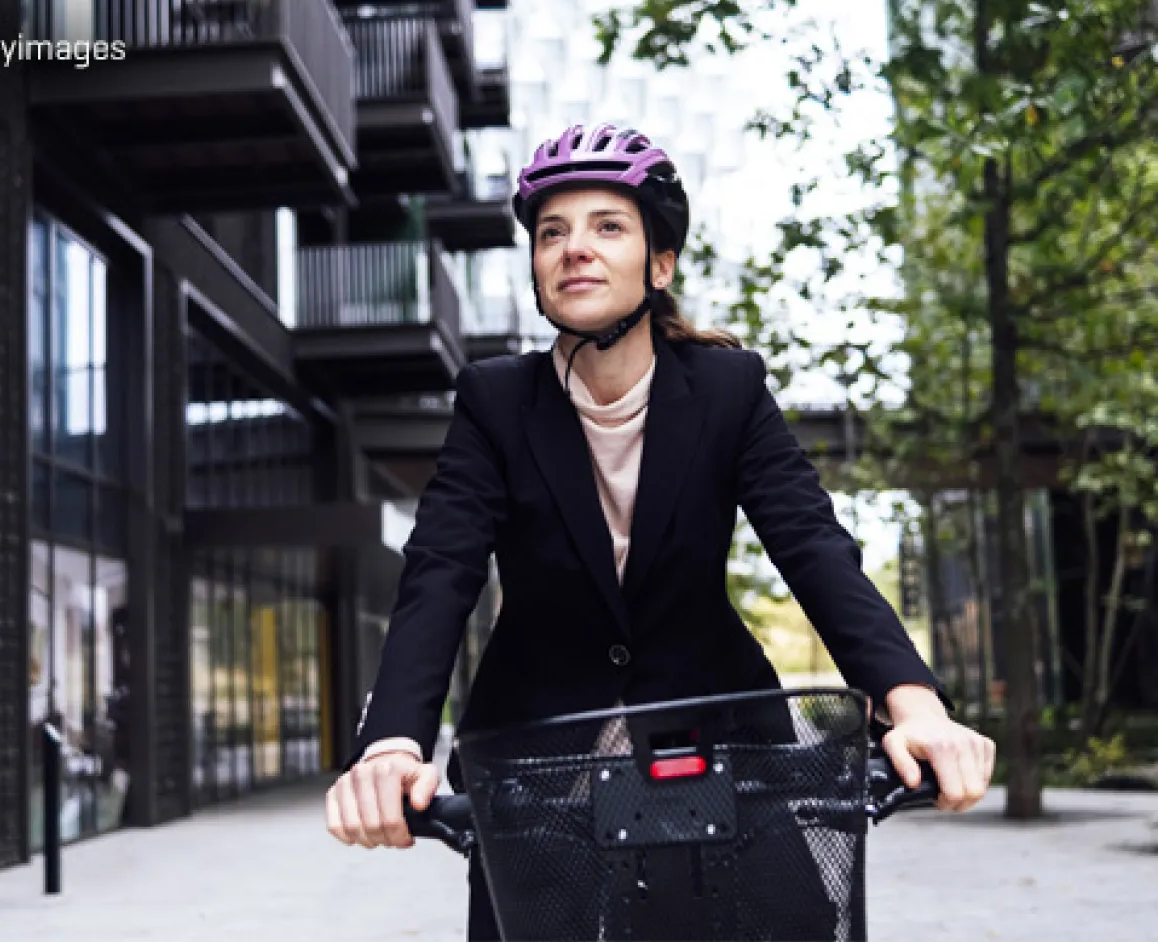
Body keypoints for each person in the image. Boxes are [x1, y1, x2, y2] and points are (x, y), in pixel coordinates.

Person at [325, 122, 996, 939]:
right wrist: (392, 742)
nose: (575, 248)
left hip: (718, 747)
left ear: (661, 263)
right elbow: (440, 570)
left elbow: (813, 545)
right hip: (539, 760)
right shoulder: (495, 402)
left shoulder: (727, 389)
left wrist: (915, 706)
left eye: (608, 226)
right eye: (552, 233)